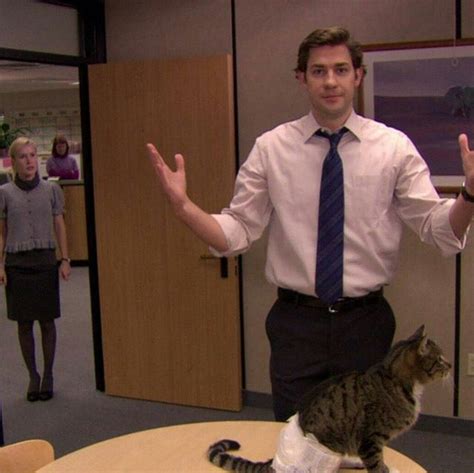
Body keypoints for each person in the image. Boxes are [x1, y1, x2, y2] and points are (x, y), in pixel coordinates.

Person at [146, 26, 474, 421]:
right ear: (302, 78)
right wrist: (184, 209)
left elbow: (439, 229)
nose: (330, 81)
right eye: (318, 71)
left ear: (358, 75)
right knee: (294, 437)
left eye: (340, 69)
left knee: (362, 435)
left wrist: (469, 195)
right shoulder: (272, 148)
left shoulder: (393, 148)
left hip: (365, 324)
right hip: (296, 324)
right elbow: (237, 231)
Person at [0, 137, 71, 402]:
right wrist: (1, 264)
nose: (29, 161)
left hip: (44, 262)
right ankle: (33, 375)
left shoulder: (51, 190)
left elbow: (60, 225)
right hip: (17, 264)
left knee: (47, 321)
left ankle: (48, 375)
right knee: (24, 323)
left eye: (32, 156)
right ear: (14, 161)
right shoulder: (5, 193)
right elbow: (2, 233)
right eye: (23, 156)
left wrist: (65, 259)